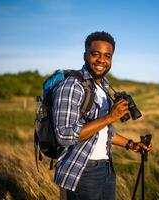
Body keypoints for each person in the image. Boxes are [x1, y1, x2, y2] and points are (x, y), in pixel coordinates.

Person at [52, 31, 152, 200]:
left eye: (107, 56)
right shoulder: (72, 85)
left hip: (106, 168)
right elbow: (64, 135)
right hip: (82, 171)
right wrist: (109, 117)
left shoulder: (103, 86)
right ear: (85, 55)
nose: (101, 60)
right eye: (95, 54)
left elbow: (103, 131)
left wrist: (130, 144)